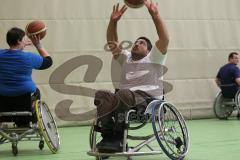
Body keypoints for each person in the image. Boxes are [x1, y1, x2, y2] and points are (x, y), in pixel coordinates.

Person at [94, 0, 169, 152]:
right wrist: (113, 22)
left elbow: (164, 39)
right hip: (125, 98)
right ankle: (109, 137)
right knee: (101, 95)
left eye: (141, 43)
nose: (136, 44)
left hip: (148, 101)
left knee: (123, 94)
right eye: (135, 42)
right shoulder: (126, 58)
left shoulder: (154, 58)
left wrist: (155, 15)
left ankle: (118, 137)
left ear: (149, 50)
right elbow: (112, 42)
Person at [0, 27, 52, 126]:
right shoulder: (29, 57)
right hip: (24, 97)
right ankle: (33, 120)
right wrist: (38, 45)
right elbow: (48, 61)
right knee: (36, 91)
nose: (26, 40)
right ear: (19, 41)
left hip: (3, 96)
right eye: (24, 38)